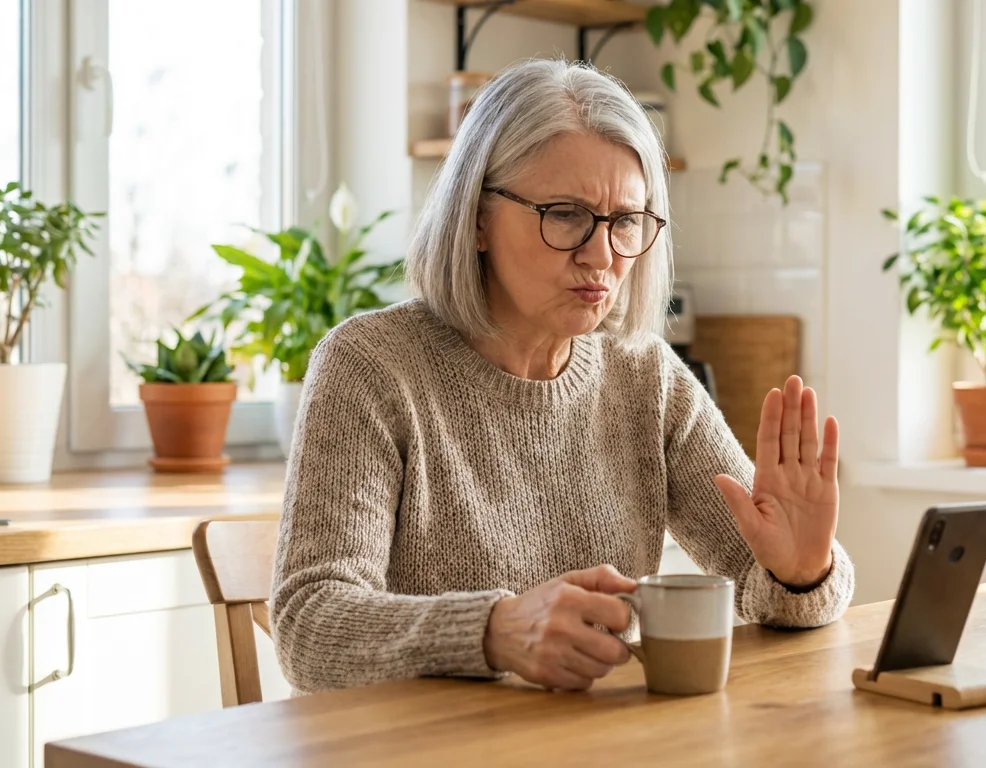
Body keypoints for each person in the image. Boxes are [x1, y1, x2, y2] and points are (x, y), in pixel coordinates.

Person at [271, 59, 854, 694]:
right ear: (476, 219)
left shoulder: (645, 376)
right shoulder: (371, 367)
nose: (602, 256)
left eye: (626, 220)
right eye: (566, 214)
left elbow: (771, 587)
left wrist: (802, 571)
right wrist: (495, 630)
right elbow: (309, 627)